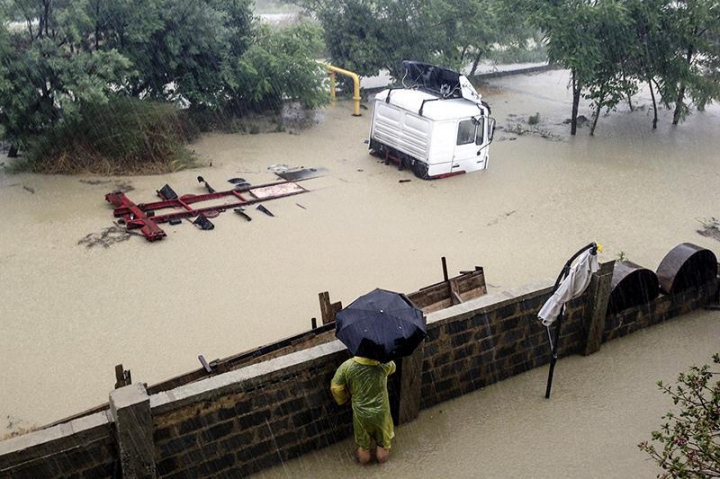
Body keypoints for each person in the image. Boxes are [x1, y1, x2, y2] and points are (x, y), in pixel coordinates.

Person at [330, 356, 396, 464]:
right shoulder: (384, 364)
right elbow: (393, 368)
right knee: (383, 444)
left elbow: (335, 387)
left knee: (363, 446)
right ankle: (381, 463)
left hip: (361, 414)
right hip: (381, 413)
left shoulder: (347, 366)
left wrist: (344, 399)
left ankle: (365, 464)